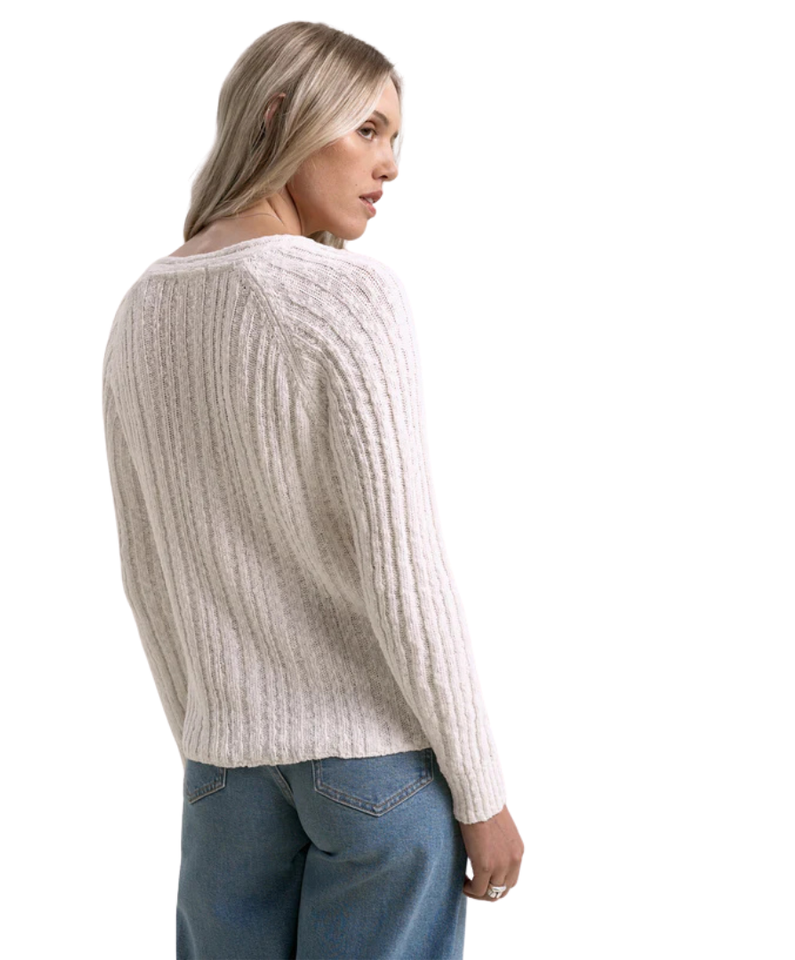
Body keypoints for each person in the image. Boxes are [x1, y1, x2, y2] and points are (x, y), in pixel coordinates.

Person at [101, 20, 524, 960]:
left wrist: (211, 746)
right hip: (374, 771)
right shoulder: (345, 297)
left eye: (395, 137)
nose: (390, 164)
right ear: (280, 116)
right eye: (367, 129)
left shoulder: (142, 308)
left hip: (223, 775)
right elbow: (405, 574)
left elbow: (147, 573)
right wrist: (481, 793)